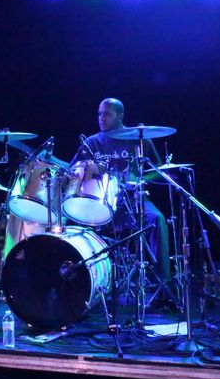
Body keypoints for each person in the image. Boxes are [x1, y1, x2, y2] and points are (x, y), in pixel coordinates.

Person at [73, 98, 171, 283]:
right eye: (99, 114)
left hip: (135, 200)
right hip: (101, 202)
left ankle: (163, 283)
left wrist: (139, 181)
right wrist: (51, 160)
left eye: (107, 114)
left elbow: (159, 172)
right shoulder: (92, 142)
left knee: (157, 219)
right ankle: (92, 282)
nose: (101, 118)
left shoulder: (139, 139)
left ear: (120, 116)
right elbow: (74, 170)